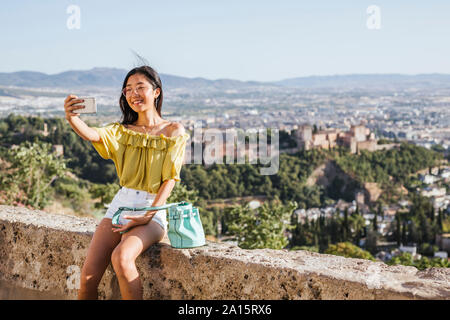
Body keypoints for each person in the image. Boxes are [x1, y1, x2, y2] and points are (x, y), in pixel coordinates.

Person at [63, 65, 189, 300]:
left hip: (152, 207)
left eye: (140, 87)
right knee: (87, 277)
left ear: (156, 92)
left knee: (121, 258)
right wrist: (72, 118)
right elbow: (93, 134)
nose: (133, 94)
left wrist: (148, 214)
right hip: (120, 205)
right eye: (128, 89)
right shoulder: (122, 131)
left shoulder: (173, 130)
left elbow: (170, 178)